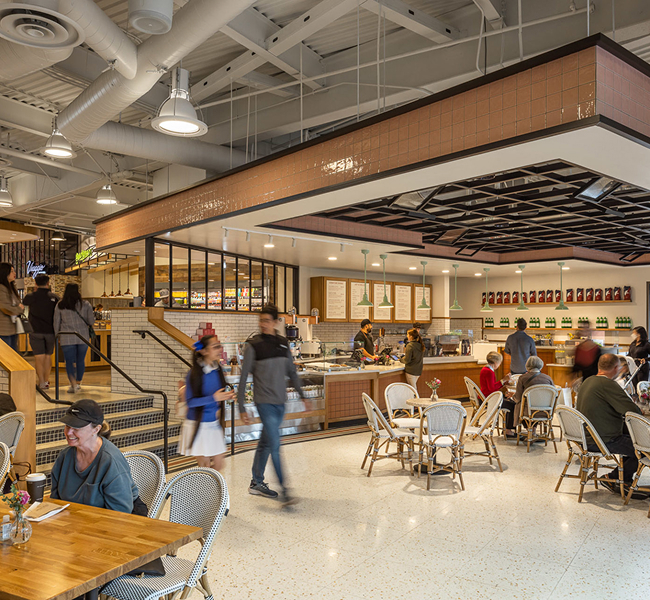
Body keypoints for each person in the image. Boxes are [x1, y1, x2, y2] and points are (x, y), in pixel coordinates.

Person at [238, 304, 305, 506]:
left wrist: (303, 396)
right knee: (275, 445)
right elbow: (243, 377)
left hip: (280, 403)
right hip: (264, 402)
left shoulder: (283, 343)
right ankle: (285, 490)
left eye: (267, 320)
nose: (263, 324)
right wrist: (241, 407)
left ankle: (256, 482)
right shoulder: (253, 346)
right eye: (261, 320)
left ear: (276, 322)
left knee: (266, 442)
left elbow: (292, 372)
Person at [50, 399, 140, 513]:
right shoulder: (64, 457)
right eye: (67, 426)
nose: (68, 433)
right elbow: (55, 502)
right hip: (77, 517)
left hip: (121, 518)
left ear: (96, 429)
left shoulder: (110, 461)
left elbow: (120, 513)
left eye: (76, 428)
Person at [576, 353, 644, 493]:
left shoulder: (587, 381)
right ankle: (617, 479)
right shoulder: (607, 384)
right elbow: (632, 410)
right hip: (603, 440)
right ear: (616, 368)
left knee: (634, 440)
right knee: (643, 448)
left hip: (586, 437)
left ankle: (616, 478)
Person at [178, 334, 234, 471]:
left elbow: (218, 395)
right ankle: (204, 485)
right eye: (215, 347)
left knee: (219, 465)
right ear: (204, 351)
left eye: (219, 346)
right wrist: (214, 398)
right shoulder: (194, 373)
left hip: (213, 423)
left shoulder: (217, 370)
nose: (219, 349)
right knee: (205, 467)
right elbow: (190, 402)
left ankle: (208, 484)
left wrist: (227, 396)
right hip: (196, 424)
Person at [54, 283, 95, 394]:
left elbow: (56, 322)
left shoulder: (60, 305)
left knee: (69, 361)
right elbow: (91, 321)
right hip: (82, 337)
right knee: (80, 360)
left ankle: (73, 383)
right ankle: (78, 382)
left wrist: (57, 335)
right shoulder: (85, 304)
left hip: (66, 337)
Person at [23, 273, 59, 389]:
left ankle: (41, 382)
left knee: (39, 357)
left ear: (36, 283)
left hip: (35, 330)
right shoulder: (54, 297)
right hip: (50, 331)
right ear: (48, 283)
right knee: (48, 356)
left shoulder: (30, 296)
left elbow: (23, 304)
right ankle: (46, 380)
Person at [479, 351, 516, 436]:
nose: (499, 365)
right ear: (496, 362)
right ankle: (508, 431)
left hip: (485, 396)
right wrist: (503, 380)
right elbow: (492, 388)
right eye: (499, 363)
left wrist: (503, 383)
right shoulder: (489, 372)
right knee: (512, 405)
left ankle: (507, 429)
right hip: (489, 399)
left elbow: (491, 387)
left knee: (509, 401)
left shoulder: (485, 369)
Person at [512, 356, 555, 428]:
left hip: (528, 411)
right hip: (546, 411)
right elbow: (554, 395)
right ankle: (533, 430)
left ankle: (530, 430)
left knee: (519, 404)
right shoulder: (548, 378)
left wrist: (512, 396)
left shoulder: (523, 378)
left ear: (527, 367)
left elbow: (517, 398)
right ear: (541, 366)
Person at [0, 262, 24, 351]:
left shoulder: (12, 287)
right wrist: (19, 309)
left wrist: (18, 308)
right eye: (12, 271)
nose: (14, 273)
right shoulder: (1, 288)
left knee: (14, 353)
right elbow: (5, 307)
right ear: (4, 273)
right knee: (7, 354)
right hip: (3, 329)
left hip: (13, 327)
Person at [627, 326, 650, 390]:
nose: (632, 334)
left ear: (639, 334)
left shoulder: (646, 344)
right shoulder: (633, 344)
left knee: (641, 386)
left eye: (634, 333)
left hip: (642, 367)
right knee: (635, 385)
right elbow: (629, 354)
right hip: (633, 367)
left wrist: (645, 359)